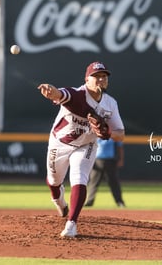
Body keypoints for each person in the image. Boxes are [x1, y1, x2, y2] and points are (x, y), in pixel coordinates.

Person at [37, 61, 125, 237]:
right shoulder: (77, 94)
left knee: (79, 177)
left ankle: (71, 224)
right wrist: (50, 91)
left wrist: (107, 132)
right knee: (54, 182)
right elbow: (59, 93)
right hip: (60, 143)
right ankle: (59, 201)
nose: (101, 79)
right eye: (96, 76)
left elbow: (120, 134)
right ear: (87, 79)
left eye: (104, 76)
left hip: (87, 144)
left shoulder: (110, 104)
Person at [84, 138, 126, 207]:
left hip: (110, 161)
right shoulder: (95, 136)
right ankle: (89, 201)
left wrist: (121, 159)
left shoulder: (113, 136)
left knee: (114, 183)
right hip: (97, 161)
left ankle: (119, 202)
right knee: (93, 183)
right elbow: (89, 149)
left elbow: (120, 147)